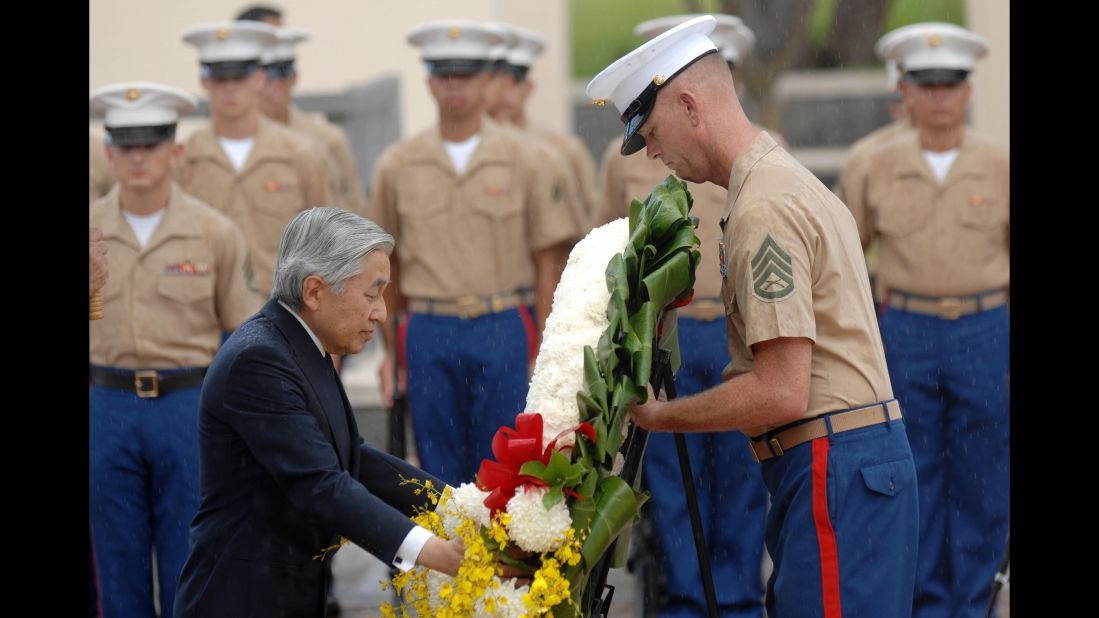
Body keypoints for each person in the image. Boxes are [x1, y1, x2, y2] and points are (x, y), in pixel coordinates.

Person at [588, 16, 918, 616]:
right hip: (838, 463)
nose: (652, 152)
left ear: (691, 104)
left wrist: (663, 417)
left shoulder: (764, 205)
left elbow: (782, 392)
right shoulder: (770, 180)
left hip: (832, 465)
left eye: (653, 131)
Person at [174, 208, 472, 617]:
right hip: (242, 599)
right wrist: (437, 552)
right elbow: (322, 484)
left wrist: (459, 507)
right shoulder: (258, 360)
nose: (381, 313)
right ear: (314, 291)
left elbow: (353, 456)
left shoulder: (301, 344)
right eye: (371, 294)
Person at [592, 13, 771, 618]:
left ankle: (740, 601)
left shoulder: (762, 155)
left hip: (735, 334)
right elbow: (608, 249)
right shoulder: (625, 160)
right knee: (671, 486)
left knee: (745, 481)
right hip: (665, 338)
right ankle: (688, 603)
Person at [368, 21, 580, 486]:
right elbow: (387, 264)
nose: (454, 87)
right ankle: (443, 561)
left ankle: (499, 562)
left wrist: (544, 345)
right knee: (435, 471)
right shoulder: (397, 165)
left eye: (466, 75)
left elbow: (549, 260)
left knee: (506, 470)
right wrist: (391, 349)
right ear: (428, 82)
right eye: (444, 75)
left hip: (501, 323)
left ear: (488, 80)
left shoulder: (529, 159)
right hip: (428, 328)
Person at [845, 23, 1009, 618]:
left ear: (968, 92)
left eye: (951, 84)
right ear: (905, 90)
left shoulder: (999, 165)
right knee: (912, 475)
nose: (940, 96)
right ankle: (924, 603)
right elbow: (846, 260)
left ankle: (974, 603)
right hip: (906, 329)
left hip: (985, 328)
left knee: (984, 477)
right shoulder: (873, 163)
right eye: (926, 84)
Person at [89, 81, 261, 618]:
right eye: (127, 144)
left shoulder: (215, 233)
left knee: (194, 557)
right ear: (108, 152)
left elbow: (245, 337)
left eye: (152, 143)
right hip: (107, 405)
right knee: (115, 560)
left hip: (189, 407)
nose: (139, 157)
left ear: (176, 151)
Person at [175, 20, 334, 298]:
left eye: (239, 77)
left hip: (280, 311)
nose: (229, 89)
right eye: (220, 79)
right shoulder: (183, 161)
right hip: (204, 315)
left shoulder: (301, 155)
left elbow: (325, 244)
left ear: (259, 79)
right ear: (204, 82)